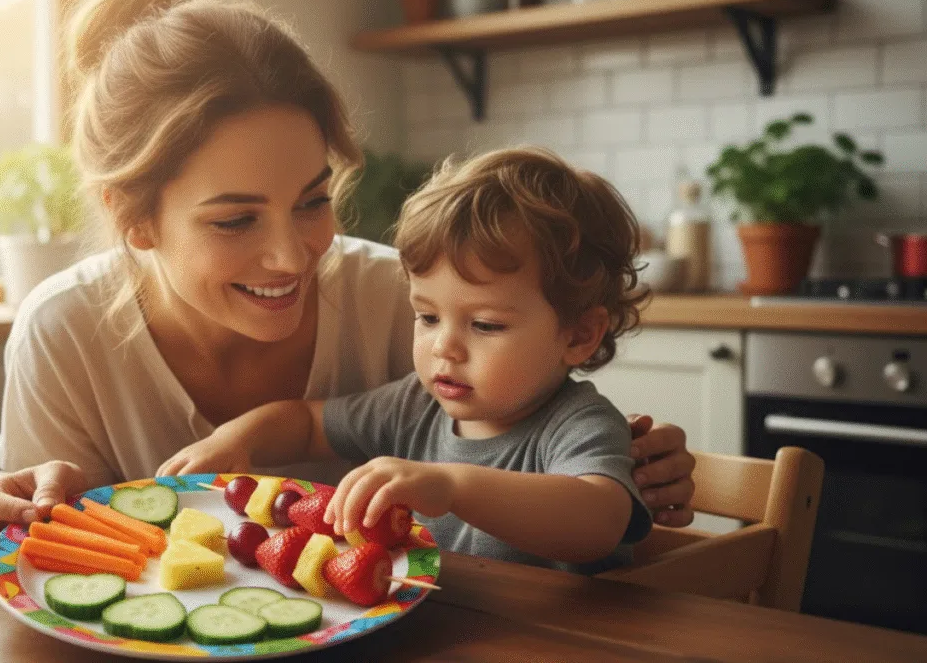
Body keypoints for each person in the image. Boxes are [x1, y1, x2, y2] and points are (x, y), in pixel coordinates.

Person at [0, 0, 696, 570]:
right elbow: (49, 563)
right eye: (235, 220)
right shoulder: (64, 329)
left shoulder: (398, 299)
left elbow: (554, 456)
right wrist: (29, 519)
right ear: (134, 217)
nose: (293, 256)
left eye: (314, 200)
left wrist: (639, 470)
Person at [159, 147, 654, 573]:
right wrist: (236, 438)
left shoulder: (580, 424)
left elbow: (600, 520)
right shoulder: (414, 407)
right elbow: (306, 422)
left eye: (485, 325)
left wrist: (451, 486)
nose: (445, 347)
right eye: (427, 317)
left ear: (581, 334)